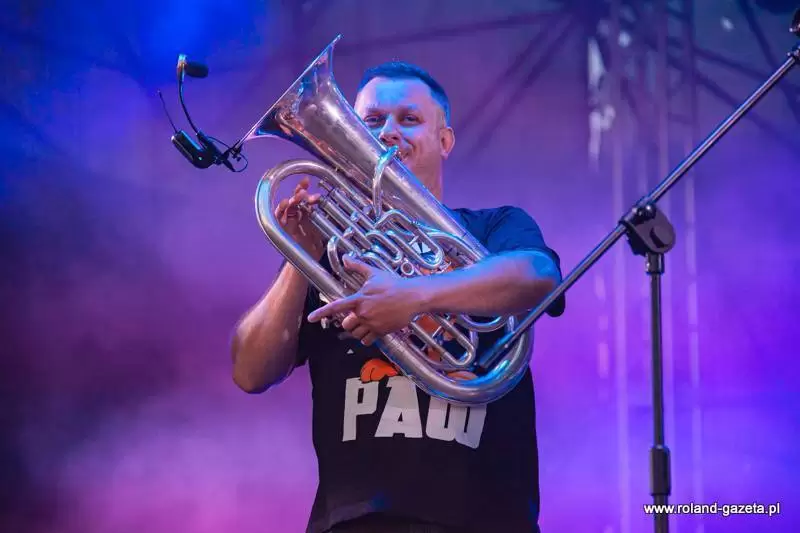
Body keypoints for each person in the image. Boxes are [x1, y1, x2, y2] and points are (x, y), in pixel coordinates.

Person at [231, 61, 566, 533]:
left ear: (444, 140)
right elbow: (250, 372)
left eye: (409, 119)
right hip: (354, 521)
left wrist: (413, 296)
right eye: (371, 121)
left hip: (482, 518)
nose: (388, 132)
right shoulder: (331, 252)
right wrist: (298, 257)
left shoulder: (493, 226)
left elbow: (539, 277)